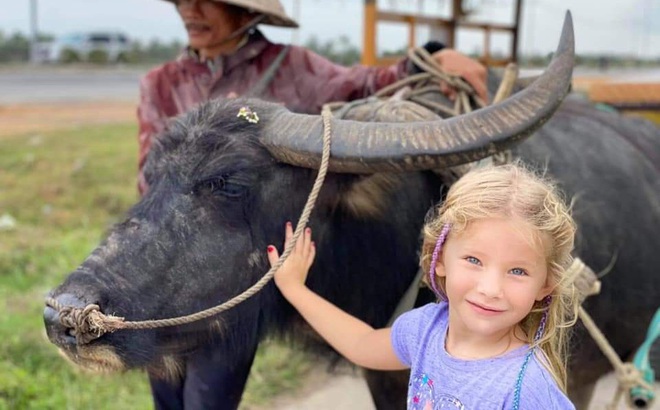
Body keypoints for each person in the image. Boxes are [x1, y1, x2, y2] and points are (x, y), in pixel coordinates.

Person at [268, 163, 579, 409]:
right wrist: (296, 289)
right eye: (473, 260)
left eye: (517, 271)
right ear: (439, 258)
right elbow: (363, 344)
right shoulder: (428, 329)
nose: (490, 288)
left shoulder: (527, 390)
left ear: (545, 285)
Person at [137, 0, 489, 194]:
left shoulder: (291, 65)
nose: (190, 11)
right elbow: (148, 178)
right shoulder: (160, 84)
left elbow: (368, 84)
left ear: (247, 12)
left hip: (272, 235)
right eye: (182, 0)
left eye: (206, 1)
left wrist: (431, 56)